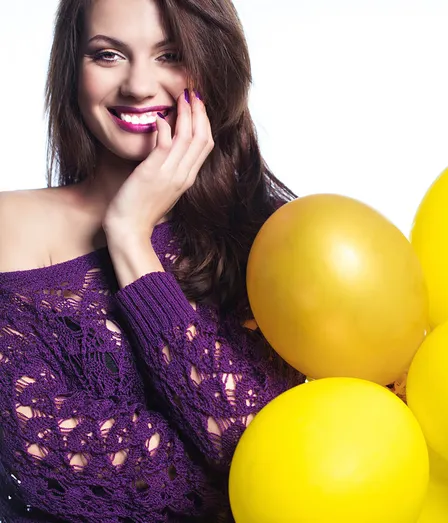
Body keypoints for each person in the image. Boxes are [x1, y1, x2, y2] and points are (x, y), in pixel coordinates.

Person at [0, 0, 305, 521]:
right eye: (108, 55)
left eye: (170, 54)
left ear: (213, 62)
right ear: (73, 67)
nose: (139, 85)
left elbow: (279, 460)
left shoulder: (271, 239)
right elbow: (57, 460)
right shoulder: (8, 227)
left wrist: (131, 241)